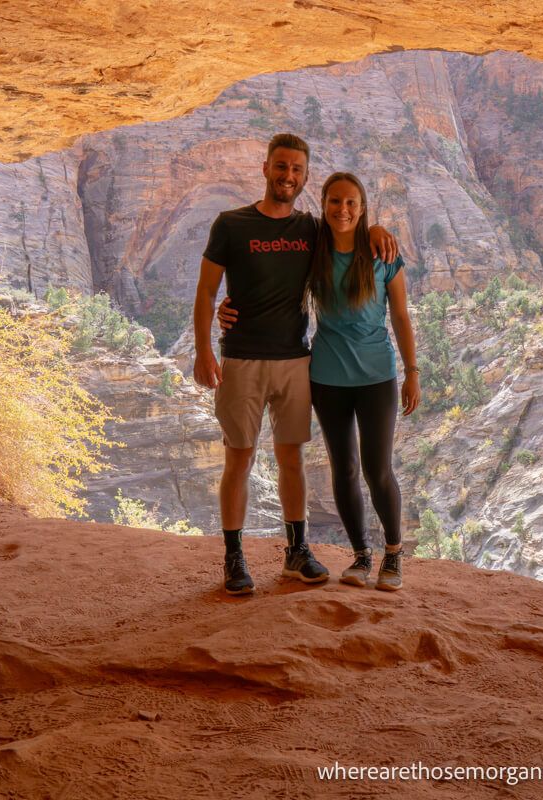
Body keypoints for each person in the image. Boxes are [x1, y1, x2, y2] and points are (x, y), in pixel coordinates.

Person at [193, 133, 399, 596]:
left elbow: (347, 226)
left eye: (297, 170)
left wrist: (376, 230)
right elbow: (207, 291)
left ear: (304, 178)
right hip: (241, 356)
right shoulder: (231, 224)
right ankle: (233, 558)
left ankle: (296, 552)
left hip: (295, 359)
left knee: (292, 459)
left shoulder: (309, 228)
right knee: (239, 459)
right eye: (281, 167)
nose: (288, 176)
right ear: (265, 168)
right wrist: (203, 349)